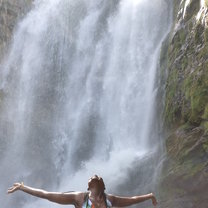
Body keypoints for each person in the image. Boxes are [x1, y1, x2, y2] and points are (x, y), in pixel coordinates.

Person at [7, 174, 158, 207]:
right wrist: (23, 187)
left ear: (98, 186)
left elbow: (131, 200)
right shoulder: (79, 198)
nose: (90, 186)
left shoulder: (109, 199)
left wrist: (149, 195)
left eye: (92, 183)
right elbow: (48, 195)